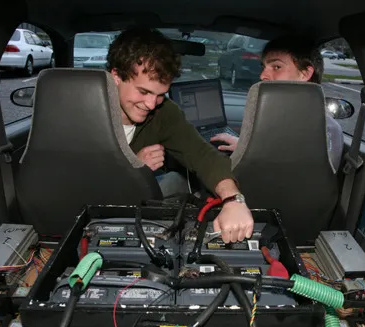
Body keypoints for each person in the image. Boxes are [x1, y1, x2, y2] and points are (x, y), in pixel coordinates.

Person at [106, 27, 253, 243]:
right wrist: (133, 169)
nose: (150, 104)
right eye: (144, 91)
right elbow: (76, 179)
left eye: (160, 94)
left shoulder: (164, 111)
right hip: (97, 216)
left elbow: (203, 156)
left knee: (176, 181)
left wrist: (233, 199)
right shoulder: (86, 110)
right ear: (116, 77)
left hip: (139, 219)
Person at [210, 35, 344, 174]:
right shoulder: (285, 119)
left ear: (304, 74)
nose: (263, 76)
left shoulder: (325, 130)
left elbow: (297, 181)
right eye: (264, 67)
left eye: (276, 67)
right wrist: (243, 147)